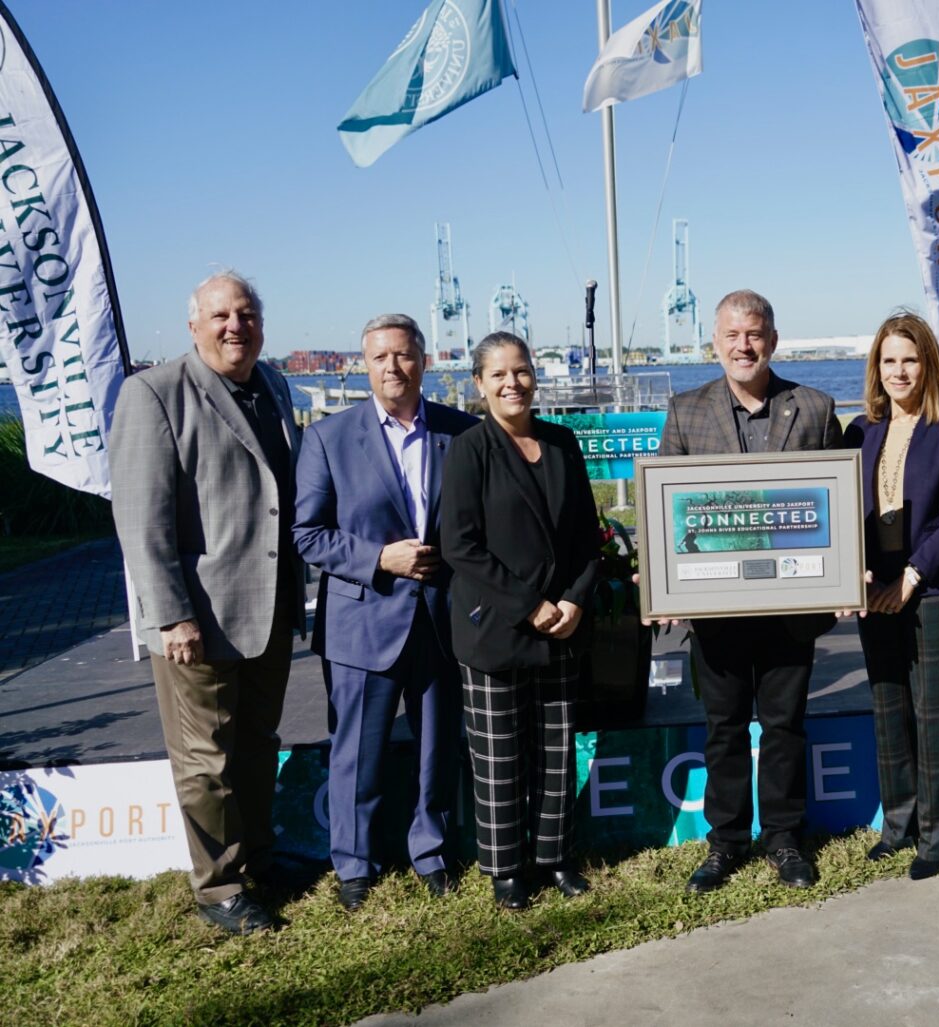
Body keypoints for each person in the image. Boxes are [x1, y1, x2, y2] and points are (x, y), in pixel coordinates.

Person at [109, 271, 304, 934]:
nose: (234, 326)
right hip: (199, 617)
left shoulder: (273, 386)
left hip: (269, 609)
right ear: (194, 325)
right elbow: (142, 519)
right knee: (205, 758)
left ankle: (257, 859)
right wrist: (171, 614)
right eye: (220, 315)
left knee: (255, 742)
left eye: (246, 314)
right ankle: (220, 889)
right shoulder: (153, 394)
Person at [659, 289, 843, 893]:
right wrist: (659, 581)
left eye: (755, 334)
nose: (745, 345)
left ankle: (786, 838)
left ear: (773, 339)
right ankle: (726, 842)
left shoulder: (813, 408)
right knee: (724, 727)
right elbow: (668, 512)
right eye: (733, 335)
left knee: (786, 724)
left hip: (791, 608)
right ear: (715, 342)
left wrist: (844, 572)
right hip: (715, 609)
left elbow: (838, 507)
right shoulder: (686, 411)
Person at [292, 314, 478, 910]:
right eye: (380, 358)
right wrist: (381, 558)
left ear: (423, 361)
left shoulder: (463, 432)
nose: (392, 367)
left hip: (441, 620)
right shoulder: (328, 438)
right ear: (364, 365)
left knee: (436, 747)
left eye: (403, 355)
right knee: (357, 753)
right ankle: (354, 864)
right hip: (362, 620)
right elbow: (307, 534)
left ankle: (432, 852)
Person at [439, 332, 600, 911]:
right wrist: (529, 604)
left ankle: (554, 856)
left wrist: (576, 600)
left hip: (561, 624)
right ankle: (506, 868)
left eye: (523, 371)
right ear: (479, 384)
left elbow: (588, 536)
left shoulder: (560, 443)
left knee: (557, 752)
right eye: (499, 375)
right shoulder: (470, 449)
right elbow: (459, 546)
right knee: (499, 757)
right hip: (495, 627)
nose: (513, 383)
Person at [843, 312, 939, 880]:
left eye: (910, 359)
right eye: (889, 360)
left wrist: (913, 576)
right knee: (887, 709)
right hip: (874, 591)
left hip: (929, 590)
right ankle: (898, 826)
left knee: (931, 713)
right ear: (877, 367)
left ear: (929, 365)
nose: (899, 371)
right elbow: (839, 513)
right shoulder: (859, 431)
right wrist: (851, 576)